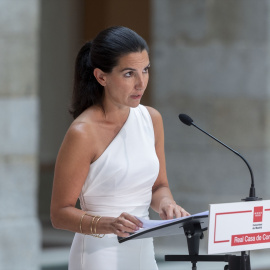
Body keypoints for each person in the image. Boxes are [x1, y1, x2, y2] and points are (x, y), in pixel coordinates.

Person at [50, 26, 190, 270]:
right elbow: (59, 213)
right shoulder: (83, 132)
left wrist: (167, 204)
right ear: (101, 77)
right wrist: (108, 224)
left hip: (143, 252)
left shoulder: (151, 119)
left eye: (145, 70)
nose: (141, 83)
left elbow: (159, 186)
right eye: (129, 74)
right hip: (99, 254)